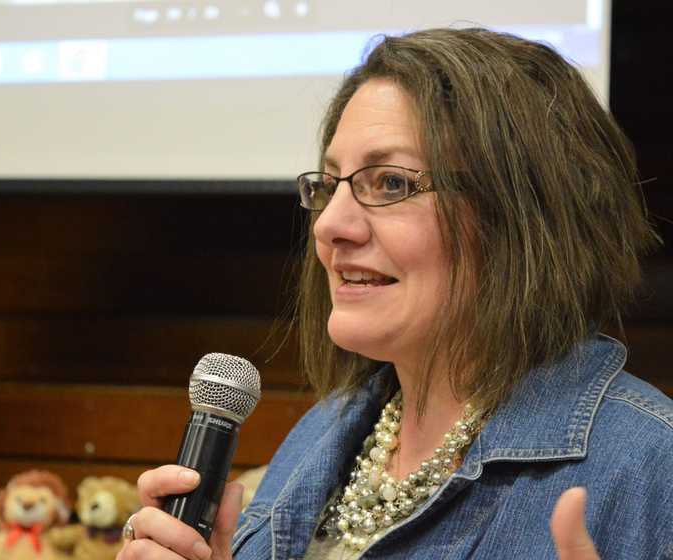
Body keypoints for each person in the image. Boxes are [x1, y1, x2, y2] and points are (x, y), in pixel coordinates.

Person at [116, 28, 673, 560]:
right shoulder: (329, 430)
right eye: (330, 185)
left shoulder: (650, 467)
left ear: (524, 217)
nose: (331, 225)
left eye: (390, 183)